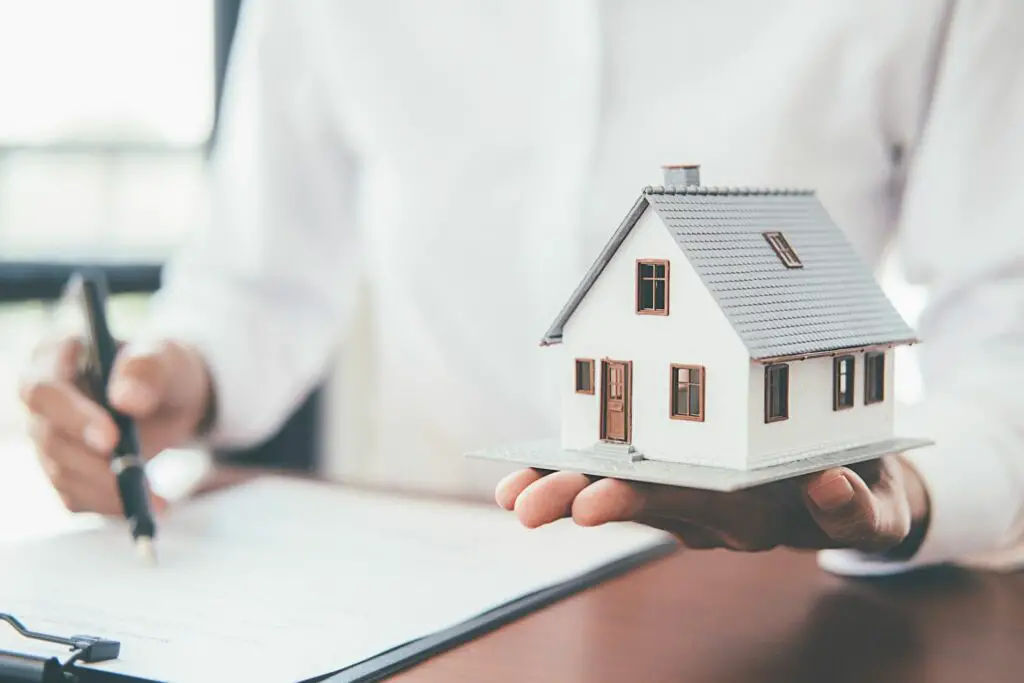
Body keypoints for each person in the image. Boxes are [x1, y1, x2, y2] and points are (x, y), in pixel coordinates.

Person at [18, 0, 1024, 575]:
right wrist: (171, 376)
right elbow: (255, 283)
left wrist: (907, 485)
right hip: (409, 585)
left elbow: (1006, 327)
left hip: (776, 603)